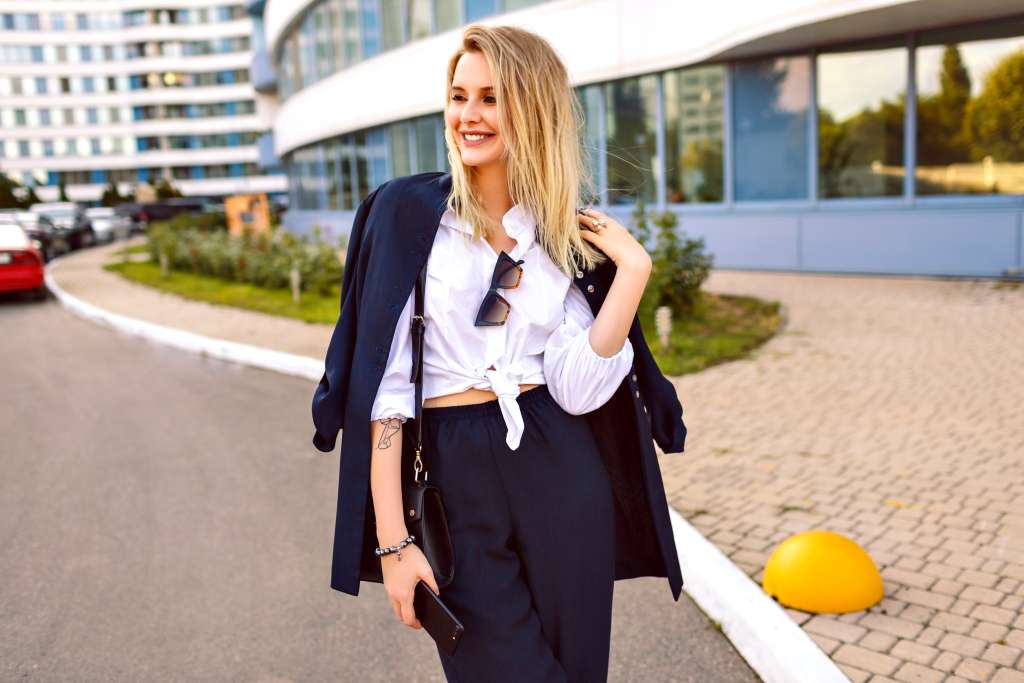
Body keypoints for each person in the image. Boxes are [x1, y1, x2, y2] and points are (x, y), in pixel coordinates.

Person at [312, 23, 686, 683]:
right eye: (459, 96)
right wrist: (395, 544)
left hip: (560, 460)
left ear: (533, 109)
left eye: (491, 98)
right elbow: (386, 396)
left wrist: (632, 274)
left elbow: (578, 389)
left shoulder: (560, 234)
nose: (469, 115)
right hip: (454, 469)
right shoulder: (407, 216)